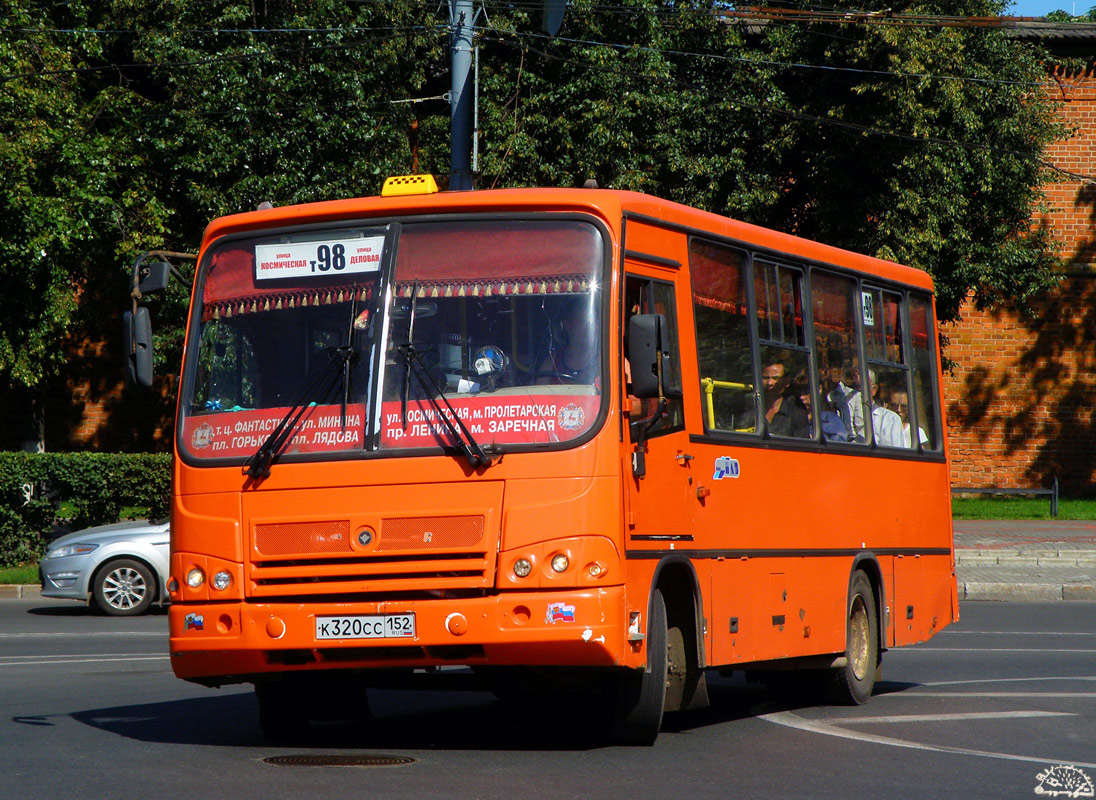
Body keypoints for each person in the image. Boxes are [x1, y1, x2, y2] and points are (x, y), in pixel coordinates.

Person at [538, 301, 599, 386]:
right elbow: (539, 394)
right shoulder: (552, 362)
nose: (588, 327)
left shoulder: (604, 362)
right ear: (567, 325)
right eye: (583, 321)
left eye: (593, 323)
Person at [761, 357, 809, 438]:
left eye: (775, 378)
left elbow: (801, 447)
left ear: (786, 382)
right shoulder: (751, 411)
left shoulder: (797, 415)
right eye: (765, 378)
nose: (770, 383)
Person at [797, 374, 849, 441]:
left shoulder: (830, 420)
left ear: (819, 389)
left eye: (806, 392)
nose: (802, 397)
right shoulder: (793, 418)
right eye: (799, 393)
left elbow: (838, 447)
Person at [868, 368, 903, 447]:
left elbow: (893, 454)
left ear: (873, 390)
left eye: (859, 389)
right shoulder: (842, 416)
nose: (855, 395)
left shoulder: (890, 419)